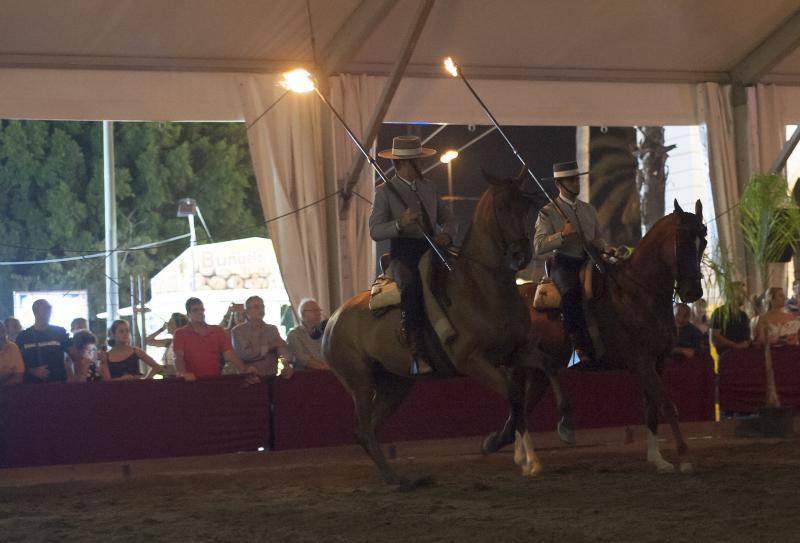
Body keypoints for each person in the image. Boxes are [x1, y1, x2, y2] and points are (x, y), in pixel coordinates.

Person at [368, 135, 457, 375]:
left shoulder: (429, 187)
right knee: (413, 286)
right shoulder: (385, 192)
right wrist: (400, 223)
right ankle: (416, 350)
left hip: (432, 249)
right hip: (403, 254)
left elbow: (447, 218)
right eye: (417, 161)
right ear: (405, 164)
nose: (422, 164)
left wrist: (446, 235)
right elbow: (375, 230)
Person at [534, 160, 609, 364]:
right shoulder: (547, 212)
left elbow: (600, 237)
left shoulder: (589, 210)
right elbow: (539, 246)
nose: (577, 183)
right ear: (560, 184)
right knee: (571, 293)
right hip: (564, 262)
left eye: (577, 179)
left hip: (590, 260)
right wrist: (562, 235)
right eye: (572, 180)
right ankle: (580, 344)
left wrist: (599, 244)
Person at [172, 297, 258, 382]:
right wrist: (183, 373)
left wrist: (245, 370)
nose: (200, 312)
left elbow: (230, 354)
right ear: (188, 314)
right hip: (191, 382)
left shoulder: (217, 331)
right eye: (195, 310)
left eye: (202, 309)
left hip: (214, 380)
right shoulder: (180, 333)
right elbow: (178, 357)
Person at [15, 299, 83, 383]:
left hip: (58, 383)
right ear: (35, 311)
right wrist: (32, 371)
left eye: (50, 309)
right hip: (31, 386)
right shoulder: (23, 336)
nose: (49, 312)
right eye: (45, 309)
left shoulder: (60, 332)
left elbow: (75, 355)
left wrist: (76, 377)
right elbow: (16, 363)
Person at [232, 296, 293, 378]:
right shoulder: (238, 331)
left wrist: (287, 363)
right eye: (257, 307)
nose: (261, 310)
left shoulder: (272, 329)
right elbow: (245, 354)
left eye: (262, 306)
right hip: (249, 377)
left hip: (272, 375)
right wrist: (269, 347)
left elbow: (281, 347)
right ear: (247, 311)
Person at [99, 320, 164, 380]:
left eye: (127, 331)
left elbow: (157, 367)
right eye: (121, 331)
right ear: (113, 335)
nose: (125, 334)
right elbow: (106, 380)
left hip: (136, 389)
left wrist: (145, 380)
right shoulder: (106, 356)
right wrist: (121, 379)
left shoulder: (136, 351)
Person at [709, 282, 751, 356]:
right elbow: (715, 336)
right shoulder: (719, 313)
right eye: (742, 292)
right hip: (725, 355)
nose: (744, 296)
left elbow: (747, 336)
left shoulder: (743, 315)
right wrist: (735, 346)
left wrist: (746, 343)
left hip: (742, 354)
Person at [286, 298, 329, 370]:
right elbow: (303, 358)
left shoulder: (324, 331)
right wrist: (325, 368)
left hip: (326, 372)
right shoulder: (294, 334)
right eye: (314, 310)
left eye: (319, 310)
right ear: (303, 314)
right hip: (306, 375)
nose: (319, 313)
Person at [0, 321, 24, 386]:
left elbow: (19, 377)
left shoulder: (13, 347)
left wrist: (2, 387)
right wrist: (8, 373)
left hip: (10, 390)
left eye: (3, 332)